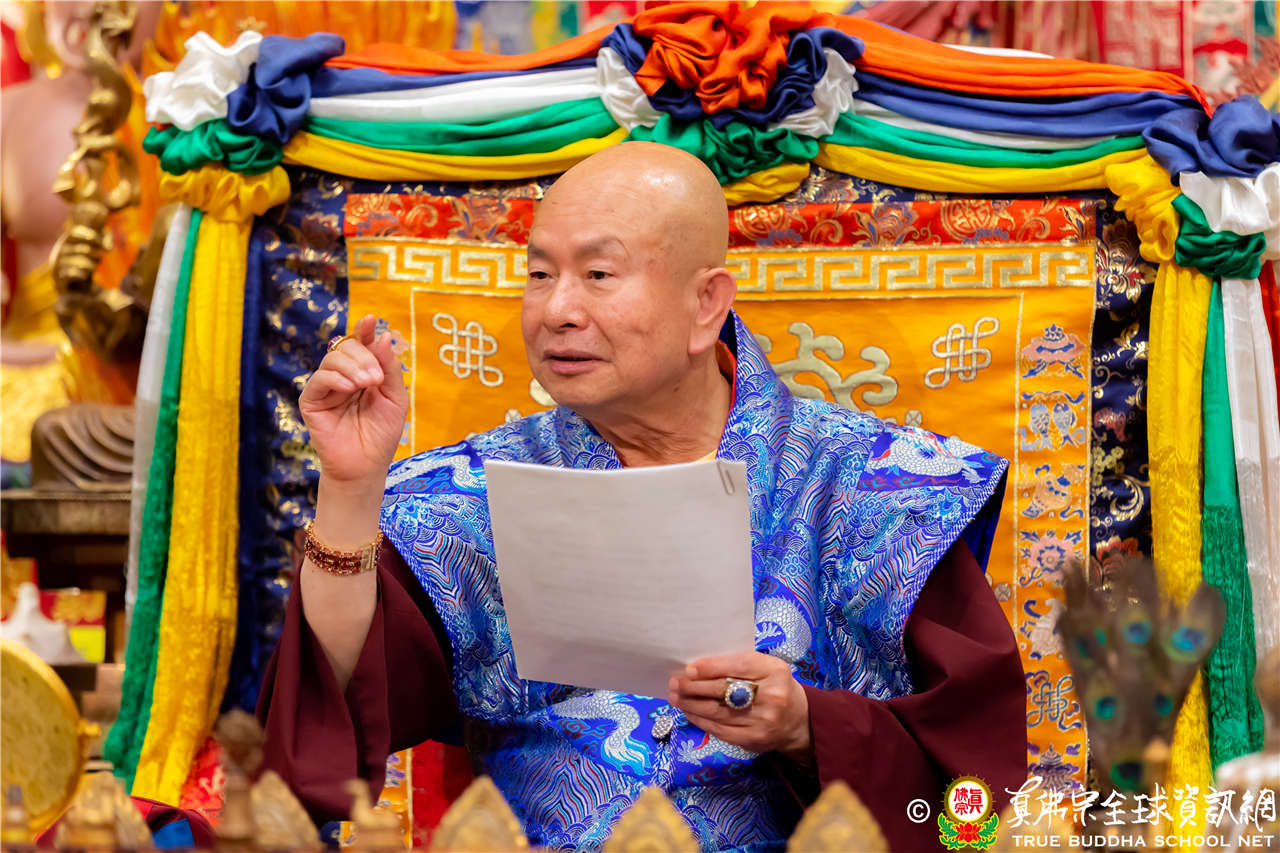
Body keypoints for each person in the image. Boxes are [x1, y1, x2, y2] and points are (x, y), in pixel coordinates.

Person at [258, 142, 1026, 852]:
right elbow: (323, 724)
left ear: (706, 304)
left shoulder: (874, 487)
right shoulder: (469, 495)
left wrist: (804, 725)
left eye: (598, 274)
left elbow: (975, 808)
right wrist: (351, 489)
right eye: (539, 274)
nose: (556, 310)